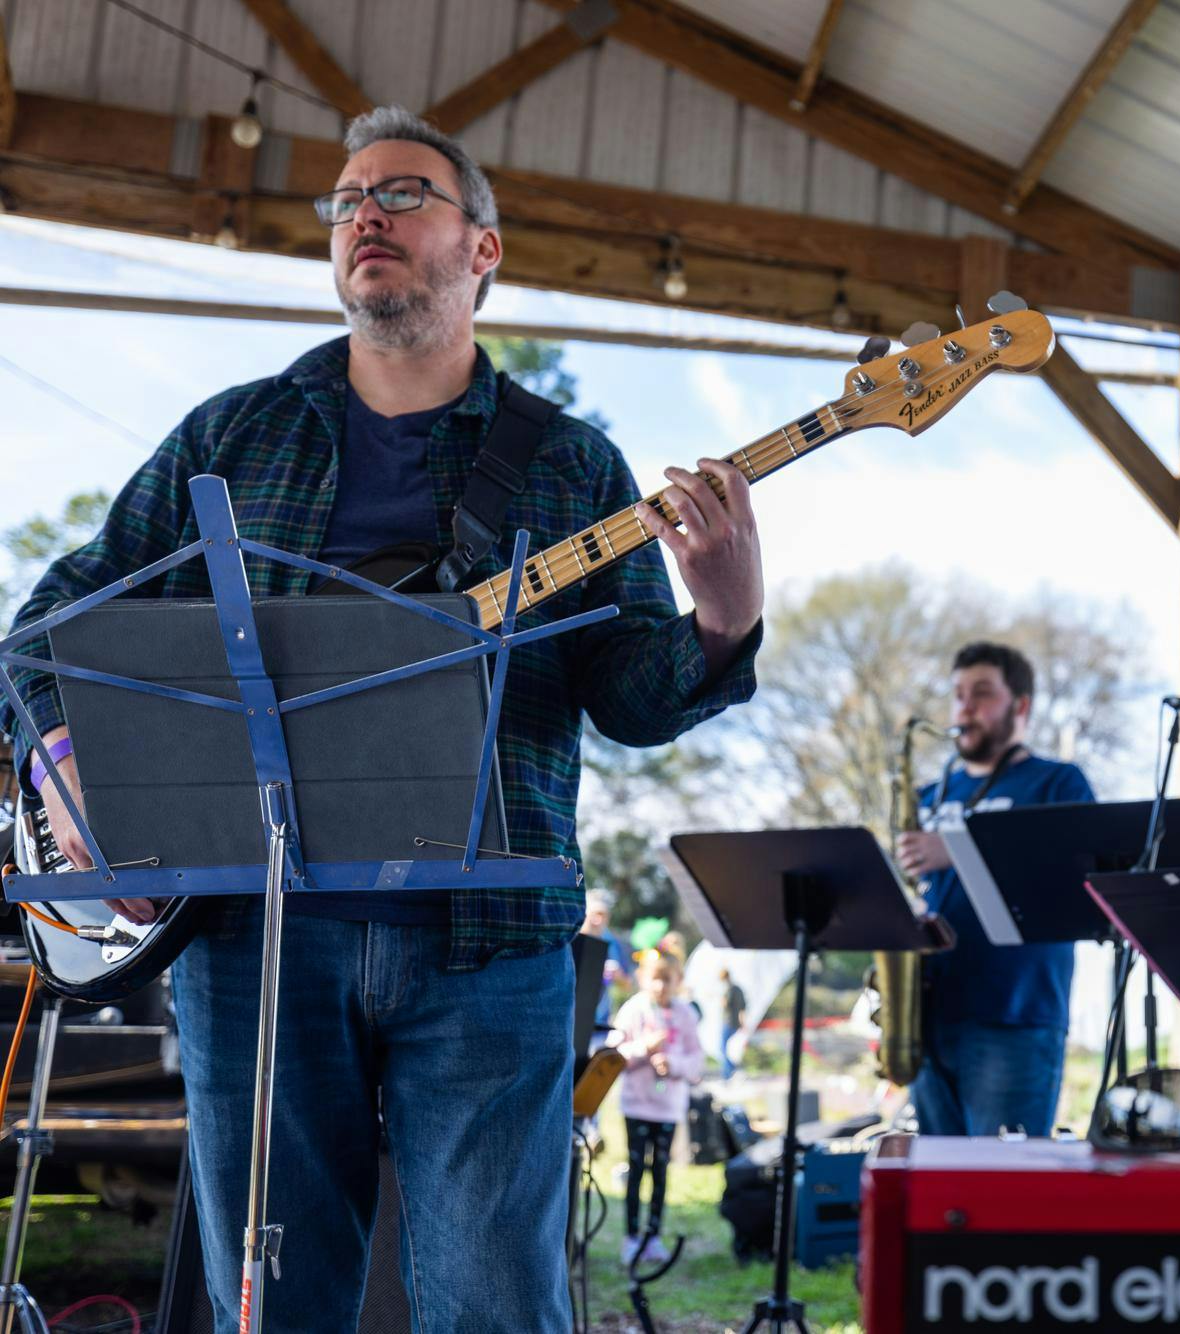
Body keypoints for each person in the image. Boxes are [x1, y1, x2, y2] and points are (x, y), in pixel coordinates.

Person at [3, 106, 763, 1330]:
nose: (365, 214)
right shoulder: (235, 431)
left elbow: (629, 696)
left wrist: (720, 620)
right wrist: (67, 769)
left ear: (482, 249)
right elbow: (48, 623)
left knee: (490, 1300)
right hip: (252, 928)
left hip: (487, 936)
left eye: (403, 193)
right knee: (270, 1295)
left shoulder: (569, 463)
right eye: (347, 199)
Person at [894, 642, 1095, 1136]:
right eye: (958, 694)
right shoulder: (929, 794)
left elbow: (1075, 879)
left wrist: (957, 849)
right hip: (929, 1014)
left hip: (1015, 1016)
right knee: (938, 1193)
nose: (964, 706)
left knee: (1001, 1189)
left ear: (1020, 706)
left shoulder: (1058, 783)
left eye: (981, 693)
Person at [609, 950, 703, 1265]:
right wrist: (642, 1048)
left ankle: (654, 1236)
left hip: (668, 1107)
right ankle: (632, 1236)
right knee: (636, 1171)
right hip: (637, 1105)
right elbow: (613, 1056)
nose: (661, 986)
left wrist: (672, 1063)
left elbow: (696, 1062)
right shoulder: (633, 1009)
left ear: (678, 981)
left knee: (660, 1171)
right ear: (642, 978)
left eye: (668, 980)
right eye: (655, 979)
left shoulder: (686, 1014)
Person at [584, 888, 634, 1050]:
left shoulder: (613, 944)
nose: (598, 920)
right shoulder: (571, 941)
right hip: (572, 1024)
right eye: (594, 914)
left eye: (603, 915)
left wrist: (618, 975)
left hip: (600, 1027)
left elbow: (628, 985)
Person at [718, 966, 748, 1080]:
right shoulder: (738, 989)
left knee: (723, 1048)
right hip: (736, 1023)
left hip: (728, 1021)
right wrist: (743, 1023)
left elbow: (726, 1004)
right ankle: (731, 1070)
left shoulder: (729, 989)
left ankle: (729, 1071)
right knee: (728, 1048)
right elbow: (742, 1007)